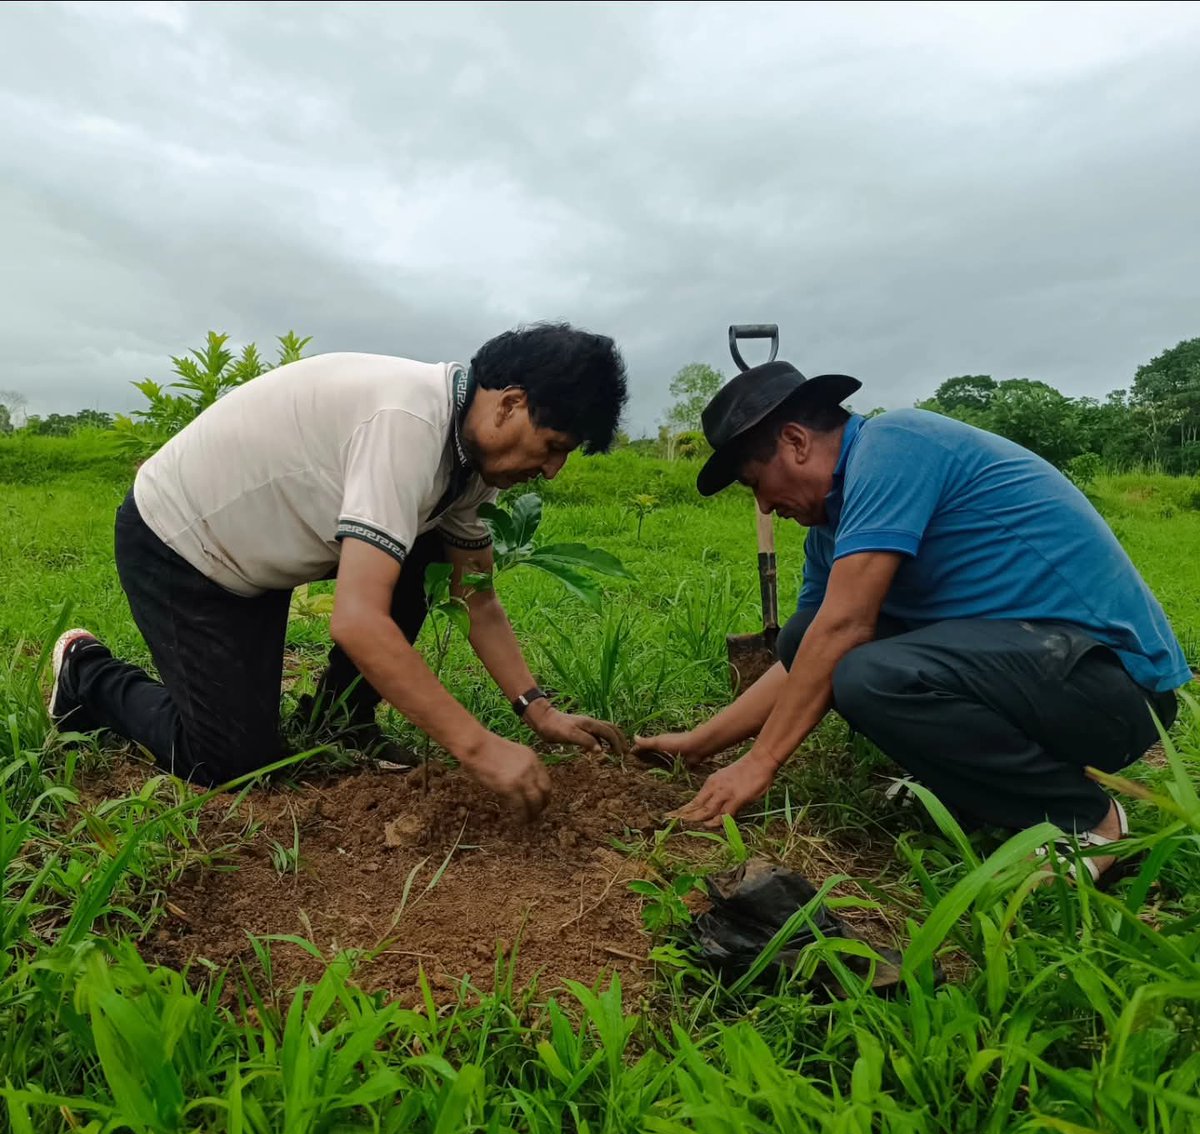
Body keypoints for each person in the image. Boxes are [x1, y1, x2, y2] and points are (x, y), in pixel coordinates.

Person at [635, 360, 1190, 882]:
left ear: (796, 442)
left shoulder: (894, 445)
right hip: (1032, 676)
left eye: (756, 483)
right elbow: (810, 654)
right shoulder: (831, 527)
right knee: (808, 635)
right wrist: (701, 743)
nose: (762, 506)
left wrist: (760, 763)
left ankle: (1087, 818)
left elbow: (847, 631)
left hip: (1115, 689)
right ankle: (975, 790)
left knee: (868, 672)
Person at [49, 323, 629, 818]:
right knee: (232, 762)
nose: (552, 470)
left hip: (262, 555)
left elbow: (476, 597)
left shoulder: (472, 460)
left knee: (428, 549)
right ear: (510, 403)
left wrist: (540, 710)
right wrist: (478, 748)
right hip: (184, 545)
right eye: (553, 445)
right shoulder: (407, 423)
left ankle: (340, 718)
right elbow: (357, 620)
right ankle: (87, 674)